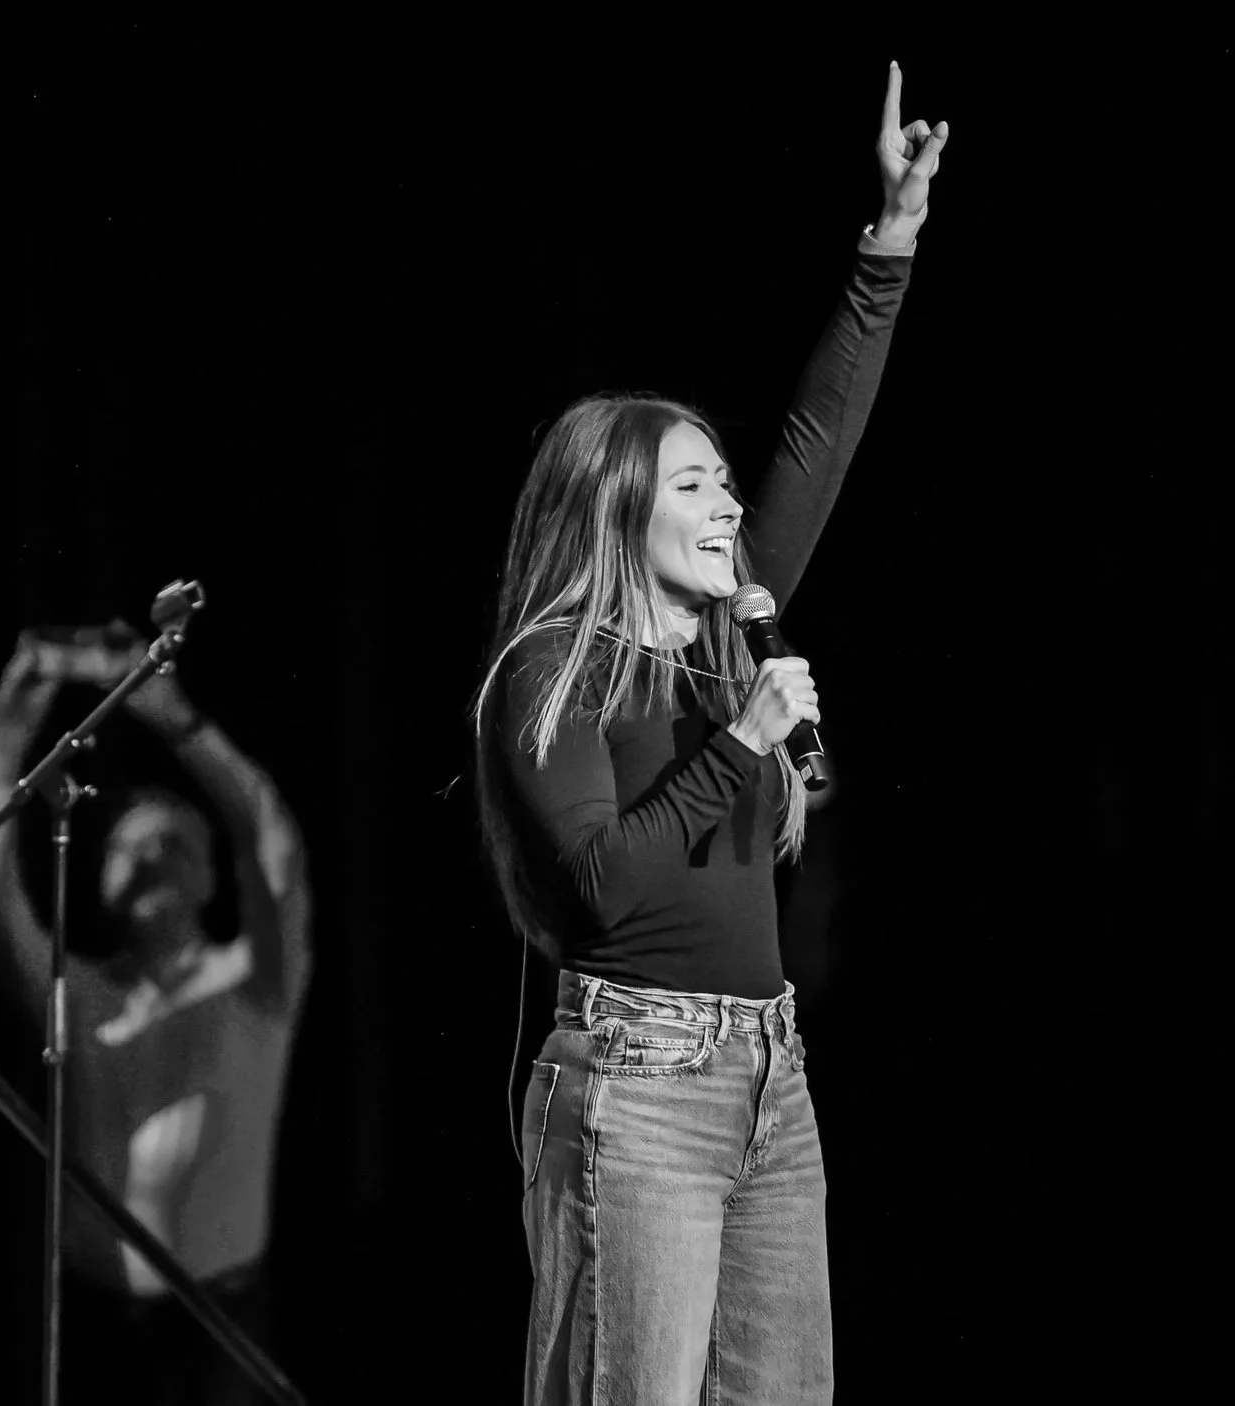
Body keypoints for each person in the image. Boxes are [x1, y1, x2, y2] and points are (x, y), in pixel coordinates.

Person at [474, 63, 945, 1405]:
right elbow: (600, 881)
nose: (731, 504)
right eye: (692, 484)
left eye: (724, 481)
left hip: (766, 1071)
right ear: (616, 511)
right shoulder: (553, 668)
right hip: (636, 1079)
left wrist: (891, 241)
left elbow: (817, 438)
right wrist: (738, 741)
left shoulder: (727, 634)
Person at [0, 632, 313, 1406]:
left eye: (173, 842)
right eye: (131, 847)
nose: (153, 856)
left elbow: (274, 846)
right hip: (97, 1327)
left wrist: (176, 718)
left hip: (220, 1329)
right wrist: (8, 732)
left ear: (211, 877)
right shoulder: (79, 992)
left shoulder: (253, 981)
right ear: (101, 883)